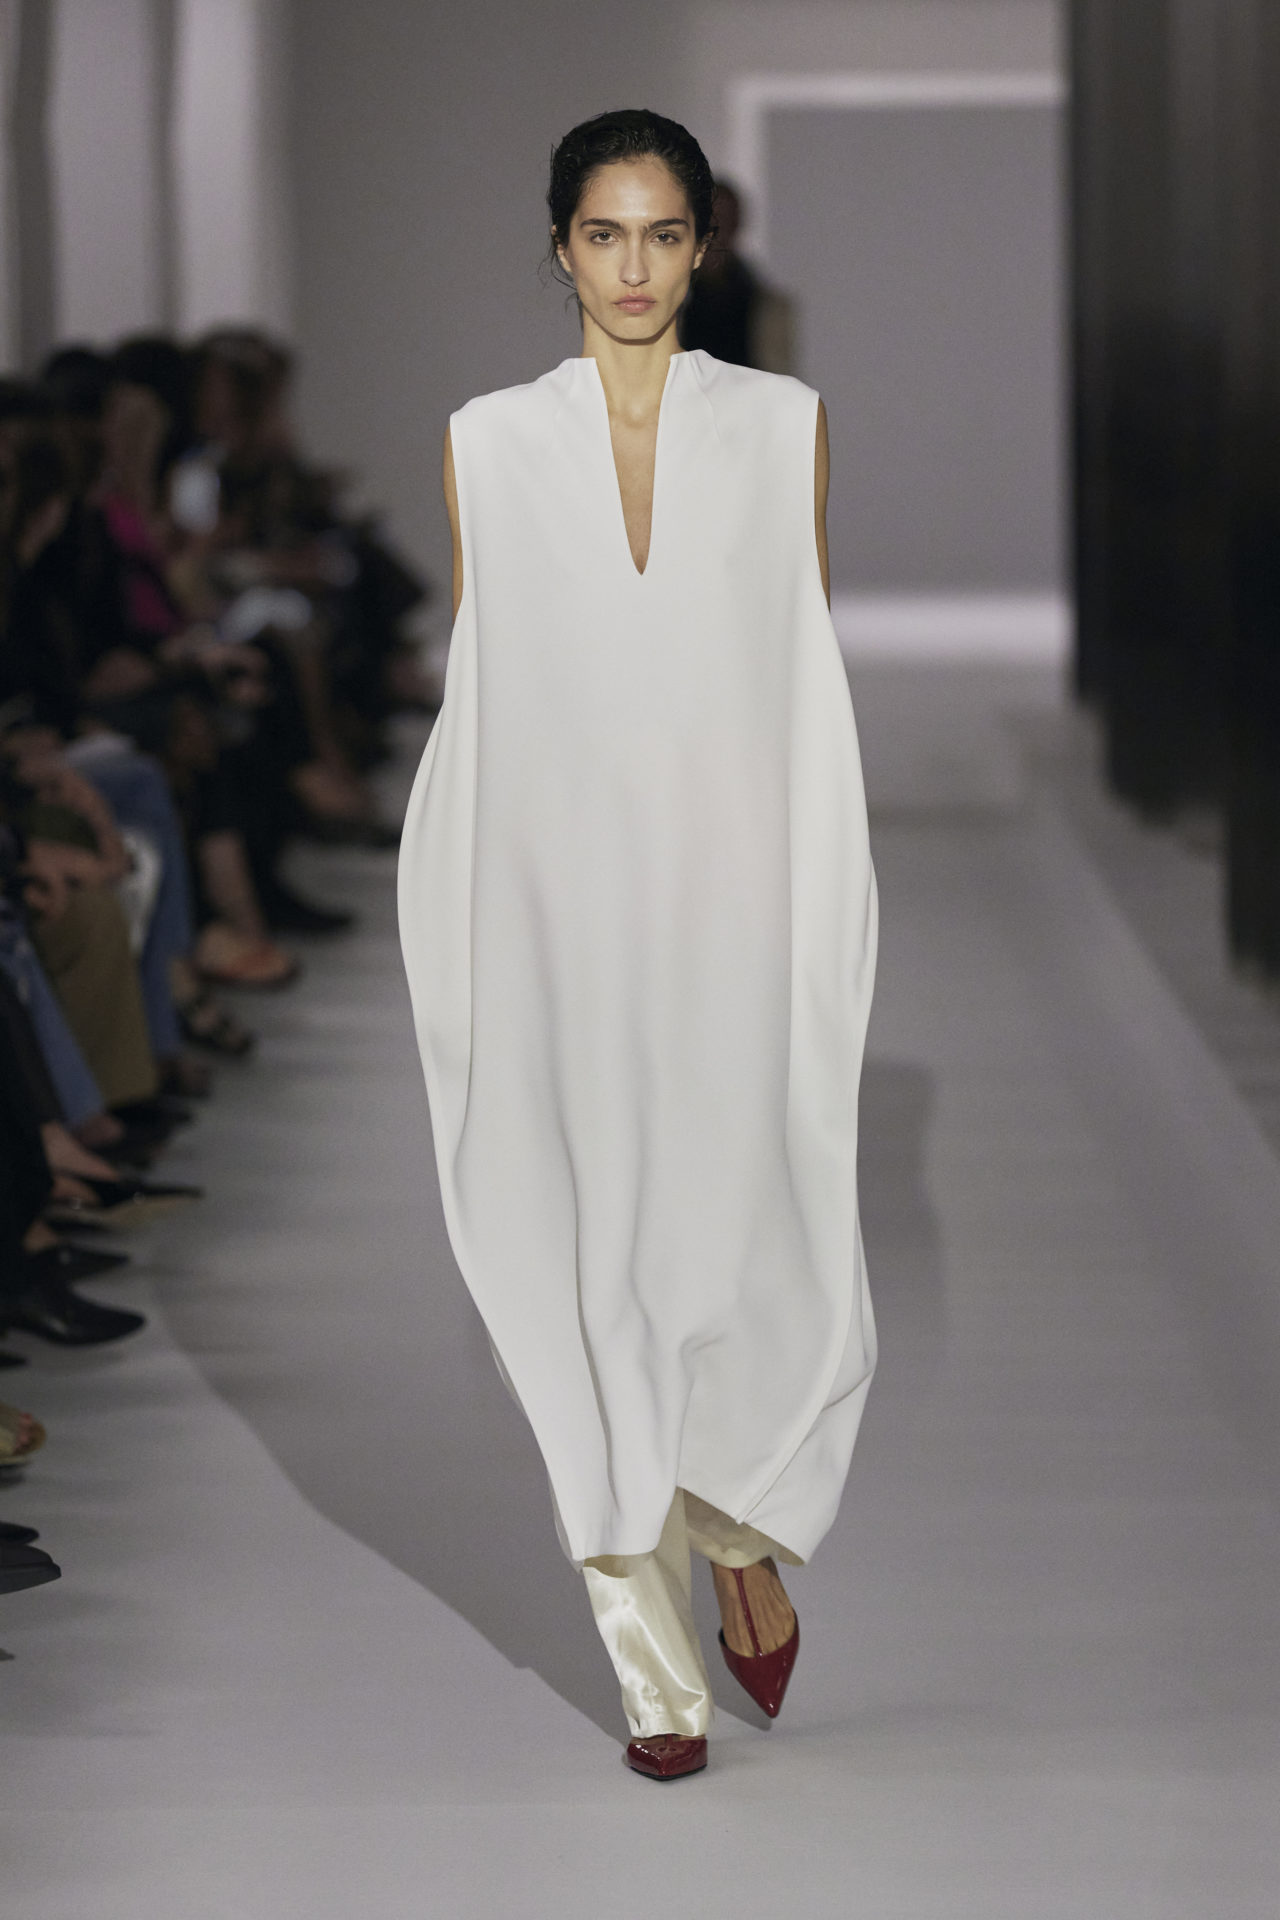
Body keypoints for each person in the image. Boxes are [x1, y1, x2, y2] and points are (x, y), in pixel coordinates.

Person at [398, 109, 877, 1781]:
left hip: (733, 897)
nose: (632, 266)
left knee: (735, 1241)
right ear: (561, 248)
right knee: (595, 1257)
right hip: (568, 912)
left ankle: (734, 1530)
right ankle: (650, 1658)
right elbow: (493, 699)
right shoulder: (487, 442)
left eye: (663, 234)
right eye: (603, 234)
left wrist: (816, 896)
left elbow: (800, 681)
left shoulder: (785, 428)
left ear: (702, 248)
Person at [679, 178, 795, 373]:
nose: (716, 229)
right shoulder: (668, 301)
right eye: (709, 218)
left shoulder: (767, 308)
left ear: (737, 223)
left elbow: (778, 374)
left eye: (724, 219)